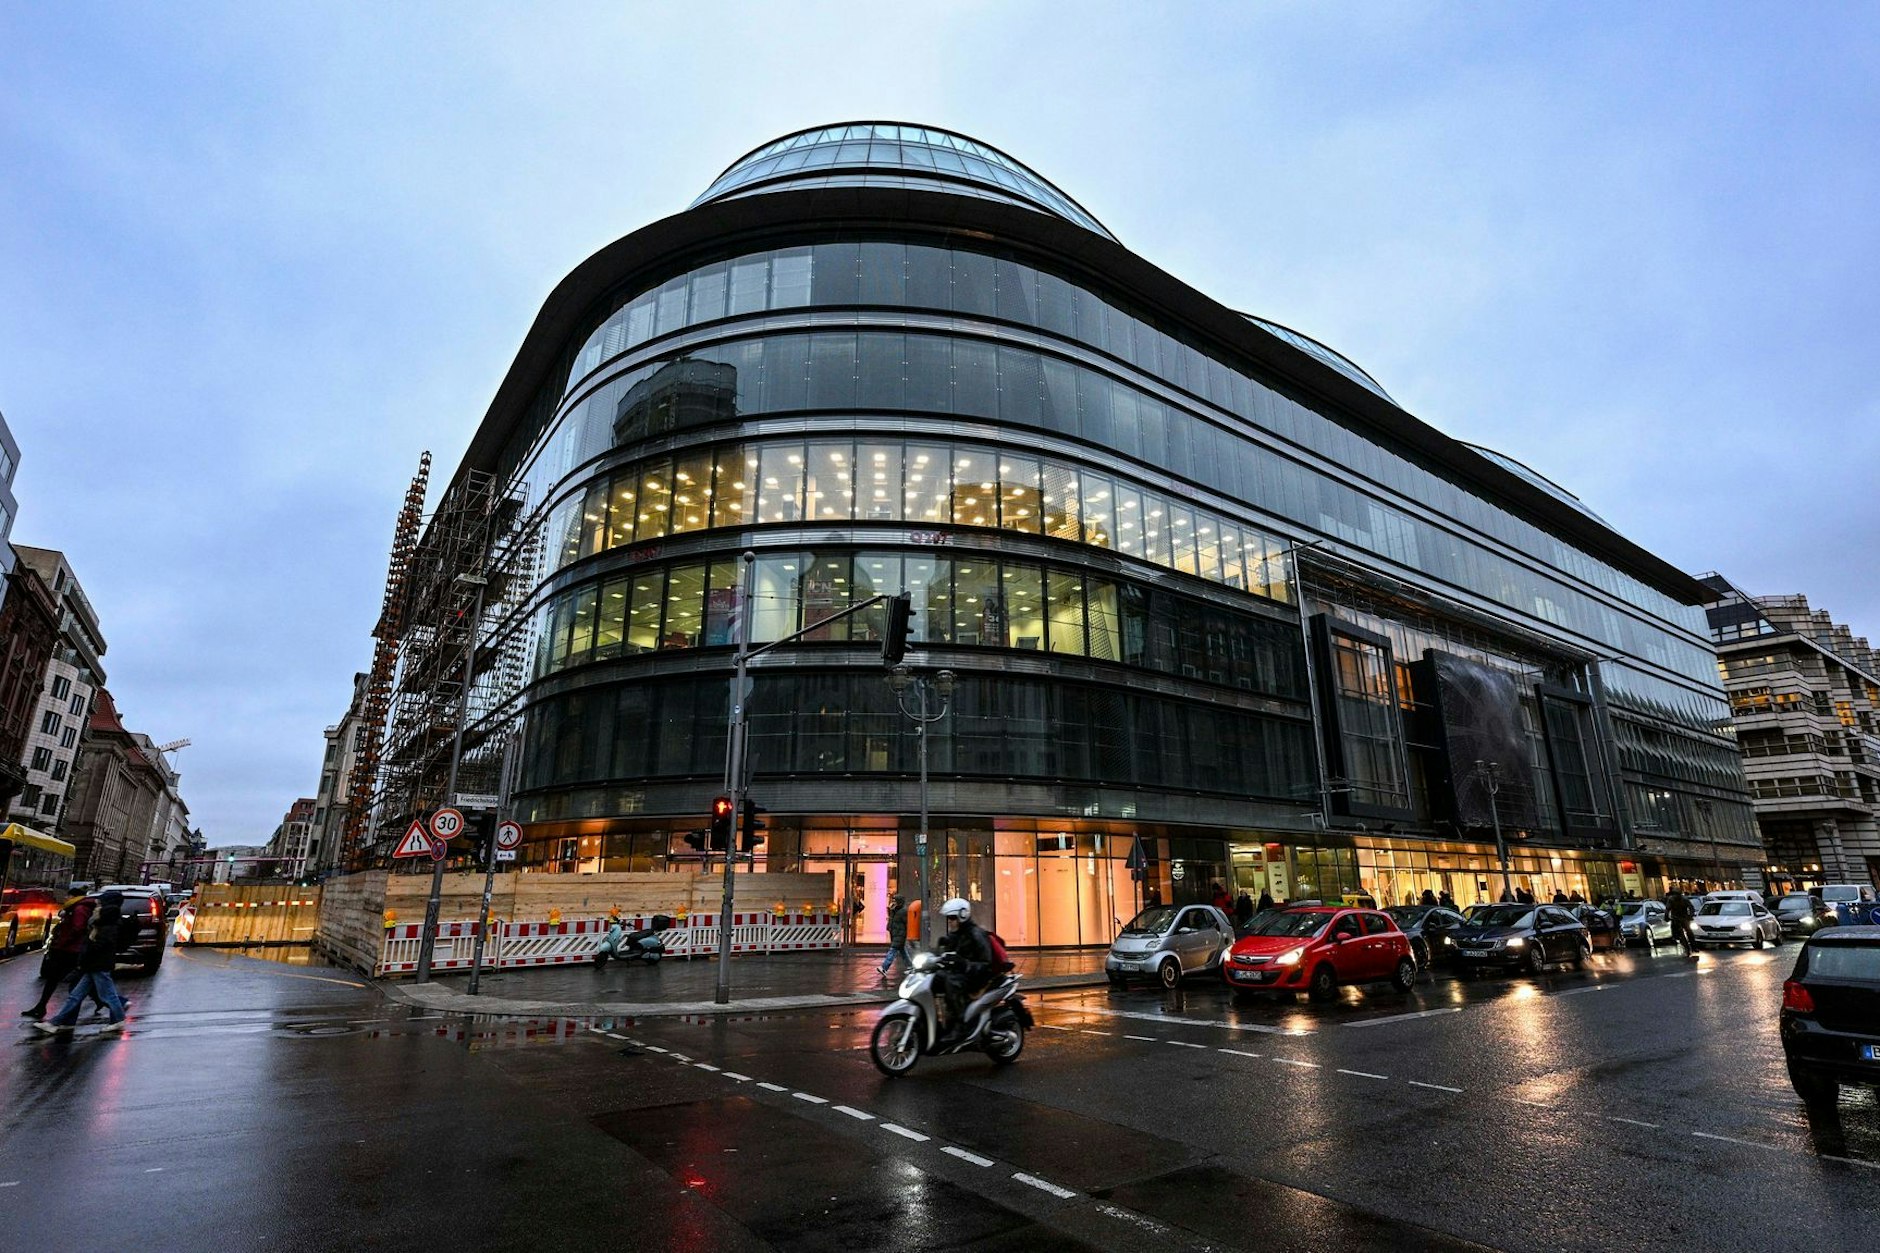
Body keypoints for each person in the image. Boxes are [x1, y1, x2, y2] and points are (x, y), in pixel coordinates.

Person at [36, 891, 135, 1035]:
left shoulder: (107, 923)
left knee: (107, 995)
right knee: (76, 996)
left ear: (105, 906)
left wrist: (88, 951)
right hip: (93, 965)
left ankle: (118, 1019)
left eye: (99, 905)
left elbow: (101, 944)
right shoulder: (103, 921)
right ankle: (56, 1022)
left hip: (98, 965)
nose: (95, 908)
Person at [20, 895, 94, 1020]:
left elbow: (77, 928)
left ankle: (108, 1002)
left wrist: (65, 942)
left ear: (74, 897)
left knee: (71, 981)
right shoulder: (79, 908)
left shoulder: (79, 909)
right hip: (70, 949)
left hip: (69, 950)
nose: (65, 898)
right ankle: (41, 1007)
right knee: (58, 979)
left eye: (68, 896)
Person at [933, 897, 995, 1044]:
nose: (950, 921)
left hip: (976, 978)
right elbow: (948, 955)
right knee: (935, 979)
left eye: (952, 918)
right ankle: (937, 1021)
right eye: (948, 918)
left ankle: (961, 1026)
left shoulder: (976, 934)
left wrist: (965, 964)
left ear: (963, 915)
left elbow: (986, 963)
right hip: (962, 974)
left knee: (951, 982)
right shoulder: (955, 935)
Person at [877, 894, 912, 982]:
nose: (893, 902)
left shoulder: (903, 911)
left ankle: (884, 967)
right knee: (903, 952)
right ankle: (911, 967)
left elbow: (906, 923)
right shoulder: (895, 911)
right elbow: (891, 920)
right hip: (895, 934)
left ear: (899, 902)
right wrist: (890, 911)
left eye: (894, 901)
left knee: (892, 951)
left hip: (900, 934)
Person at [1666, 888, 1696, 957]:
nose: (1677, 896)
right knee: (1674, 928)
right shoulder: (1671, 900)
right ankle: (1676, 937)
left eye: (1678, 894)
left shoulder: (1685, 899)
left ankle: (1694, 946)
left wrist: (1690, 915)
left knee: (1689, 931)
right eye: (1675, 894)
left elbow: (1691, 907)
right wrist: (1666, 917)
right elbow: (1667, 909)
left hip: (1684, 917)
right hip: (1676, 918)